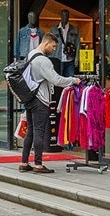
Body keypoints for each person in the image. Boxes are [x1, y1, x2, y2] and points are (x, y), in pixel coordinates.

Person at [20, 32, 79, 174]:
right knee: (39, 131)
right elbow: (56, 80)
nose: (54, 49)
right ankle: (38, 164)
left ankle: (24, 162)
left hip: (30, 98)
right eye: (53, 46)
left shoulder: (30, 55)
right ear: (46, 43)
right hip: (40, 100)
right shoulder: (43, 61)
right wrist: (73, 80)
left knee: (30, 131)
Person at [53, 11, 80, 77]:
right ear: (61, 16)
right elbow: (51, 44)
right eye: (63, 15)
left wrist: (77, 58)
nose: (65, 17)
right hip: (58, 59)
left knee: (70, 79)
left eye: (66, 16)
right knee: (58, 79)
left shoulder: (74, 30)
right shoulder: (54, 29)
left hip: (70, 60)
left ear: (68, 17)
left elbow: (77, 44)